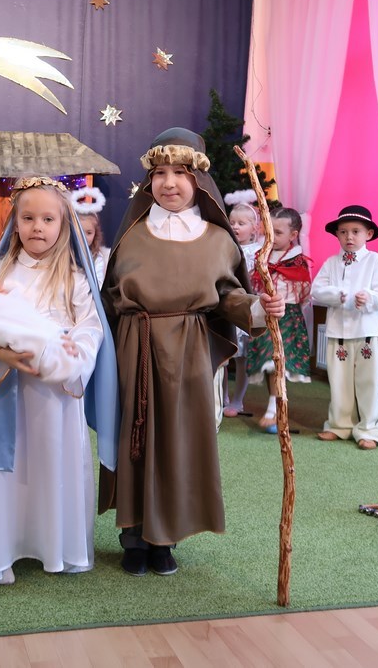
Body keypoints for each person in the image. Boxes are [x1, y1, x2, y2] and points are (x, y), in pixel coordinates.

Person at [99, 128, 285, 577]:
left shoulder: (217, 239)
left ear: (198, 179)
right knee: (136, 440)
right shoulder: (132, 235)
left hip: (189, 354)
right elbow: (108, 298)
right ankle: (133, 536)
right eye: (160, 173)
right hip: (136, 349)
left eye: (180, 173)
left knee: (179, 442)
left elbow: (229, 297)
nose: (169, 183)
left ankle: (166, 538)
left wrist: (261, 307)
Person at [0, 176, 118, 585]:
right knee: (5, 475)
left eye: (48, 219)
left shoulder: (75, 277)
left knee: (53, 465)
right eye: (28, 218)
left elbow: (91, 328)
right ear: (15, 223)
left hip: (54, 396)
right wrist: (2, 354)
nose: (37, 227)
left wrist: (69, 357)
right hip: (7, 392)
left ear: (63, 225)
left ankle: (58, 548)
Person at [311, 205, 378, 450]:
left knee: (370, 382)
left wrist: (368, 298)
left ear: (369, 234)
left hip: (367, 332)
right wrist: (339, 295)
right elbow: (317, 291)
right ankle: (339, 425)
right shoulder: (331, 263)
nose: (349, 237)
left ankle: (369, 429)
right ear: (337, 234)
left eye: (356, 231)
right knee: (339, 382)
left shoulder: (376, 261)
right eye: (343, 231)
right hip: (338, 333)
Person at [246, 207, 313, 434]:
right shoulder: (261, 256)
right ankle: (275, 406)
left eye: (278, 232)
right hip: (265, 314)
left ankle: (273, 410)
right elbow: (253, 283)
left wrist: (286, 299)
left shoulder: (297, 261)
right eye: (268, 230)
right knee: (267, 364)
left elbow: (304, 292)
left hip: (287, 317)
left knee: (277, 364)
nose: (272, 236)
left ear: (293, 235)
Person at [0, 274, 84, 383]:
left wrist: (78, 347)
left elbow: (89, 326)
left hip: (61, 344)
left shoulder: (75, 275)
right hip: (13, 374)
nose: (2, 289)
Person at [220, 195, 263, 418]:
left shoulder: (258, 253)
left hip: (247, 309)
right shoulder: (225, 248)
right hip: (228, 307)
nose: (235, 227)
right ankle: (222, 396)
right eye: (232, 222)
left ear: (254, 227)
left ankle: (238, 400)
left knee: (243, 357)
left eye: (241, 223)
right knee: (224, 355)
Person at [69, 186, 111, 282]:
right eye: (79, 232)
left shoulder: (97, 258)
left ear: (95, 234)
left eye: (89, 233)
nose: (83, 238)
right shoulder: (64, 254)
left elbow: (98, 284)